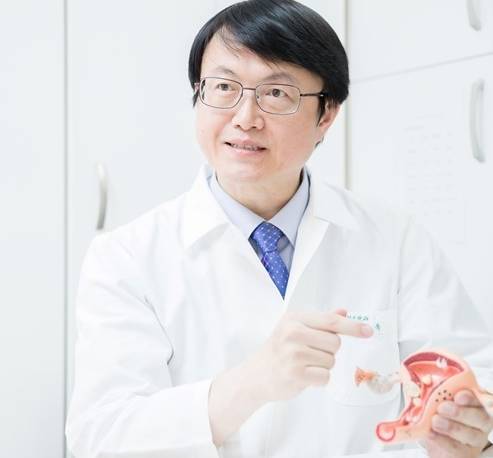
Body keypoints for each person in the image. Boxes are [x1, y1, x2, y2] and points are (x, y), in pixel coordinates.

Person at [65, 1, 493, 457]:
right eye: (224, 87)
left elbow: (471, 379)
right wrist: (253, 382)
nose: (245, 117)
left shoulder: (395, 240)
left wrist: (470, 433)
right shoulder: (127, 258)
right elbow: (101, 436)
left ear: (326, 114)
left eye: (276, 93)